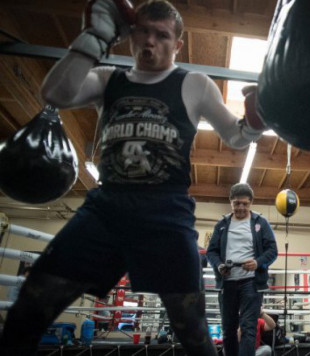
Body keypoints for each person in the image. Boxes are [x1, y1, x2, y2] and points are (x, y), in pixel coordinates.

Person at [0, 1, 265, 355]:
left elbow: (235, 137)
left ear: (178, 45)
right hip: (106, 208)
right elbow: (54, 94)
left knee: (193, 329)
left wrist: (256, 120)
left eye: (162, 35)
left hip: (166, 212)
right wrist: (94, 37)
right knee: (30, 307)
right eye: (143, 31)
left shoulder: (194, 84)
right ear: (130, 34)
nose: (150, 42)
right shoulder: (108, 78)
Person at [206, 183, 278, 356]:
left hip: (251, 283)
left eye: (245, 204)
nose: (241, 207)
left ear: (251, 203)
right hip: (228, 283)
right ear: (231, 202)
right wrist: (219, 265)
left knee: (248, 328)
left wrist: (258, 262)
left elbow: (272, 251)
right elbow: (211, 252)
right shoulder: (222, 224)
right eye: (237, 203)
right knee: (228, 330)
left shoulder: (260, 223)